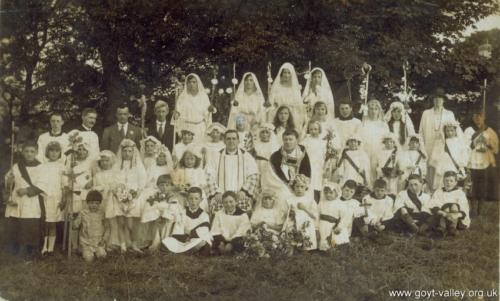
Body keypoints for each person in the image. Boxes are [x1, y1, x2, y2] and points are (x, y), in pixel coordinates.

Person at [4, 141, 47, 258]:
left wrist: (27, 190)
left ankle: (30, 250)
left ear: (36, 153)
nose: (29, 154)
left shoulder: (41, 167)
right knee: (16, 222)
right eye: (27, 151)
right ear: (22, 152)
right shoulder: (16, 166)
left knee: (30, 224)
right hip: (17, 198)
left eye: (32, 151)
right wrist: (9, 180)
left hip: (30, 201)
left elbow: (43, 184)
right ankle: (15, 249)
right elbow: (7, 181)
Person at [208, 130, 259, 213]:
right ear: (224, 141)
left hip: (240, 196)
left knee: (243, 218)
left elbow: (253, 176)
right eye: (228, 139)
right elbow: (208, 176)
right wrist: (216, 192)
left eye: (234, 138)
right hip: (220, 196)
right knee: (218, 219)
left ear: (238, 141)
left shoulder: (246, 156)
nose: (231, 141)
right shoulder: (216, 156)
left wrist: (244, 191)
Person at [419, 88, 459, 187]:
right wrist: (422, 147)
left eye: (440, 99)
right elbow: (420, 132)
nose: (437, 101)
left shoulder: (449, 114)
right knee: (429, 169)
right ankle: (429, 193)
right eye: (435, 98)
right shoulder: (426, 113)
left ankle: (442, 190)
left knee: (441, 170)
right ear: (432, 100)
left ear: (443, 100)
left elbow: (454, 133)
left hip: (443, 148)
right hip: (428, 145)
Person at [112, 139, 147, 252]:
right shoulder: (117, 166)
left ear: (133, 152)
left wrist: (135, 193)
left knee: (131, 224)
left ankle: (134, 244)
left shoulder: (137, 166)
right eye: (125, 151)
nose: (127, 154)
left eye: (130, 151)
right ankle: (123, 245)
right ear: (121, 152)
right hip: (119, 197)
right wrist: (119, 194)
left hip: (133, 197)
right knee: (121, 222)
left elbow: (142, 181)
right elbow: (114, 181)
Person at [464, 110, 498, 216]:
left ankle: (480, 209)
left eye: (480, 116)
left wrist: (488, 143)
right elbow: (464, 146)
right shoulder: (469, 130)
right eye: (475, 116)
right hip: (472, 161)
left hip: (485, 162)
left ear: (484, 118)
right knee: (472, 185)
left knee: (482, 186)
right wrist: (475, 141)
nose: (478, 118)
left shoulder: (490, 131)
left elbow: (496, 149)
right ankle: (473, 209)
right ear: (473, 118)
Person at [140, 174, 183, 251]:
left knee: (166, 226)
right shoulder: (155, 196)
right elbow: (152, 206)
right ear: (158, 186)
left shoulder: (173, 197)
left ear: (171, 186)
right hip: (157, 218)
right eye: (162, 185)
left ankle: (165, 244)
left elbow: (173, 210)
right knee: (156, 226)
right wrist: (157, 215)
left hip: (168, 219)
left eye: (167, 185)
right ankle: (155, 244)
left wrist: (164, 215)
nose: (164, 187)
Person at [163, 186, 213, 254]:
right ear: (187, 199)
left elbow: (203, 231)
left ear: (201, 200)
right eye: (191, 198)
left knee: (201, 242)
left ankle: (184, 251)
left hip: (196, 239)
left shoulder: (204, 215)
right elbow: (178, 229)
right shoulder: (183, 212)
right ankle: (189, 251)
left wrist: (189, 233)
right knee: (167, 241)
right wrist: (185, 238)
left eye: (196, 199)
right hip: (184, 239)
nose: (193, 201)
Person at [170, 145, 216, 213]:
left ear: (196, 160)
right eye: (187, 159)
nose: (189, 161)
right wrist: (181, 188)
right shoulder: (181, 170)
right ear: (183, 160)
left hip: (197, 193)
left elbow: (202, 184)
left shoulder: (199, 171)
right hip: (183, 195)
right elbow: (177, 183)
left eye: (192, 159)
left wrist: (192, 189)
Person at [173, 74, 215, 144]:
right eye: (189, 82)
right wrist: (179, 130)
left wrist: (208, 130)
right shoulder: (182, 98)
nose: (191, 84)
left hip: (200, 128)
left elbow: (208, 116)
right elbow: (178, 115)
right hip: (186, 128)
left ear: (197, 83)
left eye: (194, 82)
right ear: (186, 84)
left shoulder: (203, 97)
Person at [356, 99, 390, 184]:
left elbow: (387, 139)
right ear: (367, 110)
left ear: (379, 110)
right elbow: (358, 139)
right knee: (366, 170)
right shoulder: (363, 124)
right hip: (365, 151)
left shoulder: (383, 124)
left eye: (375, 109)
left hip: (379, 151)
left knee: (377, 171)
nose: (373, 111)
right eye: (371, 109)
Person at [40, 142, 65, 255]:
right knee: (46, 222)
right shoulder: (42, 166)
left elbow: (64, 184)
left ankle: (51, 248)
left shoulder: (62, 167)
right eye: (51, 151)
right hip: (45, 196)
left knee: (53, 222)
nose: (54, 153)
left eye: (56, 151)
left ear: (60, 153)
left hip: (57, 196)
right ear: (47, 152)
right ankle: (44, 246)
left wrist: (63, 198)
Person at [430, 120, 469, 191]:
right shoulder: (441, 142)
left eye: (452, 130)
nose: (450, 133)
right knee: (443, 181)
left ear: (455, 131)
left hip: (455, 165)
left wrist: (461, 164)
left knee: (454, 181)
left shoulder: (459, 142)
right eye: (447, 131)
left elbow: (463, 153)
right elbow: (436, 154)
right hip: (444, 165)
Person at [428, 171, 470, 236]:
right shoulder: (439, 191)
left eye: (451, 181)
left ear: (456, 182)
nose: (448, 183)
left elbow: (464, 207)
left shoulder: (459, 193)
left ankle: (452, 227)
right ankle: (442, 228)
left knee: (453, 205)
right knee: (446, 207)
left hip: (455, 217)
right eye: (446, 180)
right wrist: (444, 213)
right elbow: (434, 204)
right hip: (442, 215)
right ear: (443, 181)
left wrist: (456, 215)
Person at [92, 150, 119, 249]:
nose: (104, 163)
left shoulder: (115, 174)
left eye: (107, 160)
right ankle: (101, 241)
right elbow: (95, 187)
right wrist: (101, 188)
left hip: (111, 200)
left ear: (111, 162)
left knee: (112, 221)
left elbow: (117, 186)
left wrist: (110, 188)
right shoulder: (97, 175)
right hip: (101, 199)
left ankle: (112, 242)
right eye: (102, 161)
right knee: (102, 221)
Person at [354, 179, 394, 244]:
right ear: (373, 189)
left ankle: (370, 234)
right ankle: (368, 234)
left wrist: (383, 225)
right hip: (369, 221)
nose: (379, 193)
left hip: (381, 222)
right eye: (377, 190)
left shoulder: (389, 200)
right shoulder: (367, 198)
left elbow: (388, 215)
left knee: (392, 221)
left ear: (386, 190)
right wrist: (372, 222)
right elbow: (365, 212)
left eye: (382, 190)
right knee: (358, 217)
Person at [73, 190, 108, 262]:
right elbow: (75, 226)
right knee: (89, 259)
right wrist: (73, 220)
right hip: (86, 243)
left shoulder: (102, 214)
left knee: (102, 256)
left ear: (100, 204)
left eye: (97, 203)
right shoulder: (83, 213)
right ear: (87, 203)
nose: (94, 205)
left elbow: (107, 228)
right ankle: (85, 252)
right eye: (91, 203)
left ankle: (99, 252)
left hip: (98, 243)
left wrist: (104, 239)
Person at [286, 174, 318, 251]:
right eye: (297, 186)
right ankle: (292, 248)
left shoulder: (309, 200)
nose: (299, 189)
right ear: (293, 187)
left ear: (306, 187)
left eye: (302, 187)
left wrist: (305, 209)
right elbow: (286, 213)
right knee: (291, 232)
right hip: (293, 221)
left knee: (306, 233)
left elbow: (314, 216)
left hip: (306, 222)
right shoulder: (290, 199)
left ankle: (306, 249)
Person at [268, 63, 305, 128]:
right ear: (281, 74)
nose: (286, 75)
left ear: (291, 75)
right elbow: (271, 103)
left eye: (289, 73)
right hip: (278, 114)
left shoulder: (295, 89)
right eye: (285, 72)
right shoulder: (276, 87)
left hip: (292, 115)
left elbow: (299, 105)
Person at [301, 120, 327, 202]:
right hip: (308, 165)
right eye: (311, 129)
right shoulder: (305, 141)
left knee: (318, 185)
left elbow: (325, 155)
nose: (313, 131)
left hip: (319, 166)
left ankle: (316, 202)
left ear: (319, 129)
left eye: (315, 129)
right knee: (309, 184)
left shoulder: (324, 142)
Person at [318, 182, 342, 250]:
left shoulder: (339, 204)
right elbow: (317, 214)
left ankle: (332, 248)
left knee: (332, 237)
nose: (328, 195)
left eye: (331, 193)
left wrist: (338, 225)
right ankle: (321, 248)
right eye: (326, 192)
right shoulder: (321, 203)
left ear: (336, 193)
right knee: (322, 235)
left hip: (332, 224)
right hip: (322, 223)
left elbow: (343, 216)